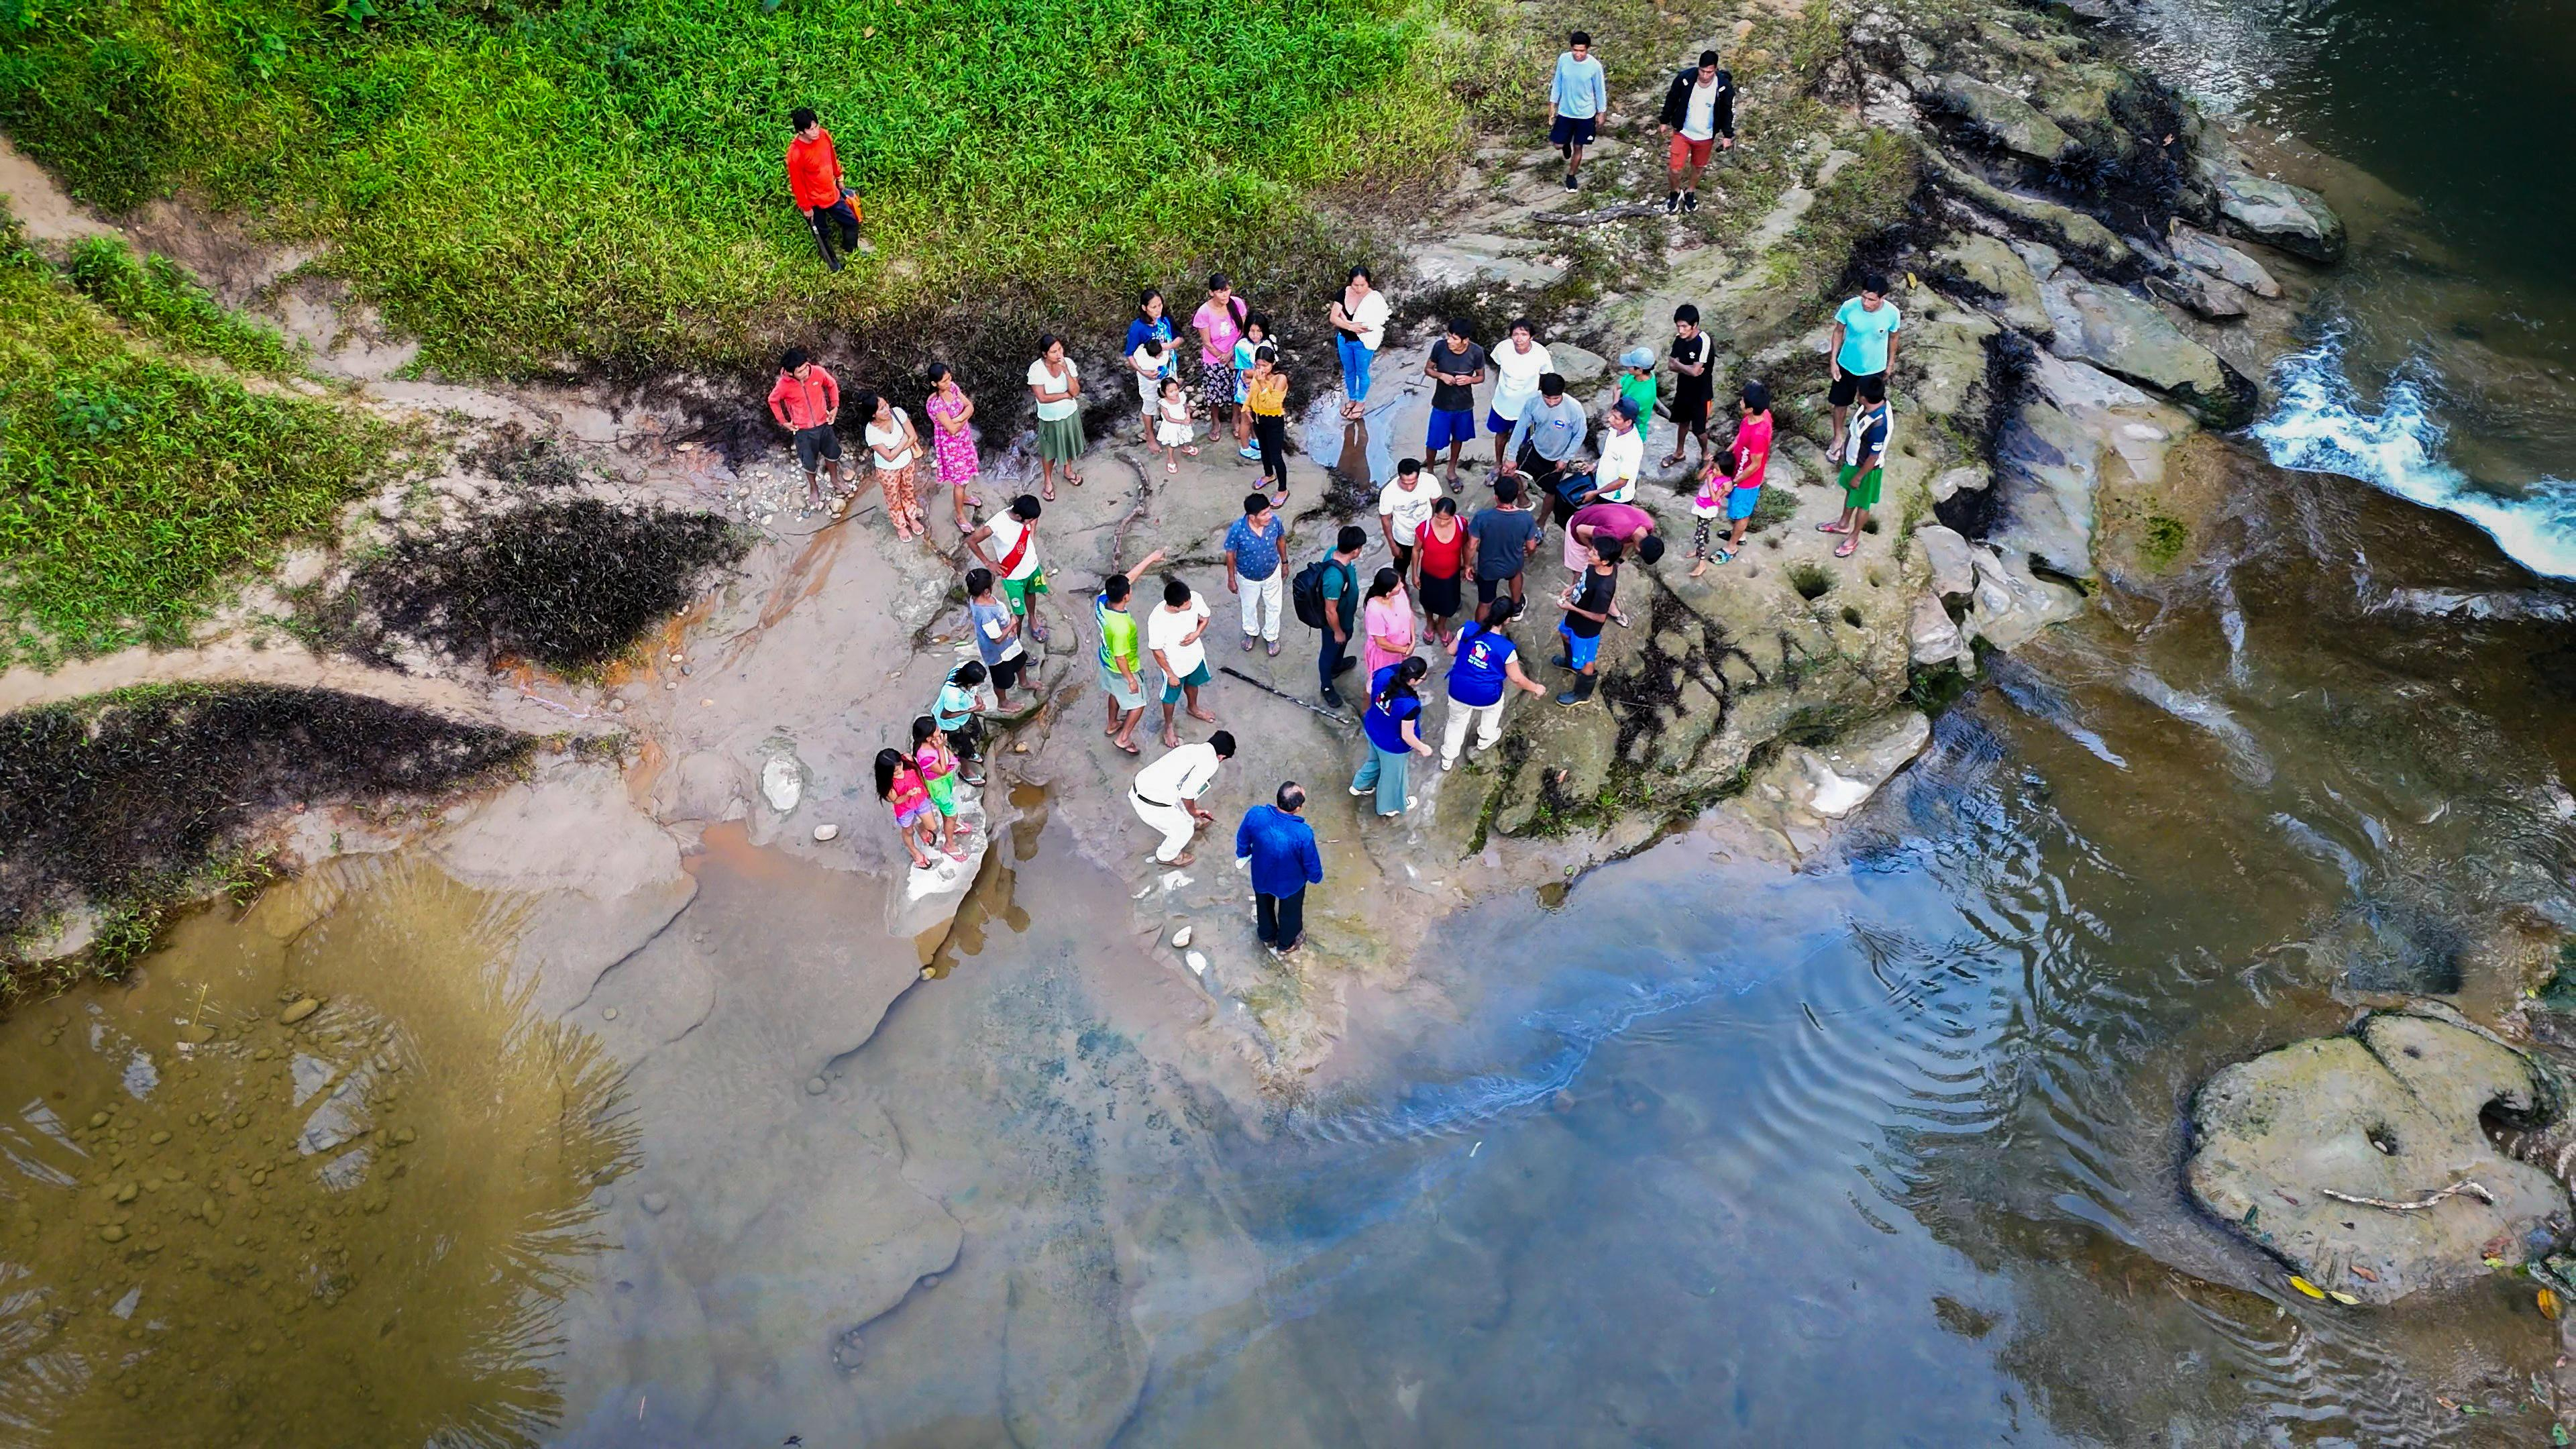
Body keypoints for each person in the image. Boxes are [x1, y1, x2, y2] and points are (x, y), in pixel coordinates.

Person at [1438, 597, 1546, 769]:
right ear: (1507, 620)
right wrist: (1536, 688)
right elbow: (1517, 679)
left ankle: (1448, 759)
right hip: (1487, 695)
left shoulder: (1468, 629)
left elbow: (1451, 650)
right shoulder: (1506, 648)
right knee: (1494, 710)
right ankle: (1485, 738)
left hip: (1458, 688)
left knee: (1456, 722)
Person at [1093, 549, 1168, 757]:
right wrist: (1131, 680)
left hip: (1105, 660)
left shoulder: (1101, 600)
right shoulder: (1122, 627)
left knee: (1115, 693)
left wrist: (1151, 558)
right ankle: (1123, 738)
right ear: (1127, 596)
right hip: (1123, 667)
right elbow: (1121, 657)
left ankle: (1112, 724)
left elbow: (1129, 578)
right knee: (1138, 704)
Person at [1236, 783, 1323, 955]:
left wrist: (1243, 853)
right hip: (1291, 882)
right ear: (1298, 808)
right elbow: (1310, 862)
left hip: (1261, 873)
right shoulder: (1303, 833)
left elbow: (1243, 837)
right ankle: (1285, 944)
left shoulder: (1255, 815)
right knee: (1290, 912)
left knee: (1263, 905)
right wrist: (1315, 877)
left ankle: (1267, 936)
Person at [1695, 380, 1773, 572]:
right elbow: (1740, 438)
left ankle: (1732, 547)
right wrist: (1728, 452)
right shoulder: (1755, 417)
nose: (1740, 402)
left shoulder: (1759, 434)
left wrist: (1734, 482)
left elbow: (1755, 464)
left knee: (1741, 513)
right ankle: (1740, 535)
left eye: (1743, 400)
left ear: (1750, 407)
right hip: (1736, 470)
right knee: (1736, 511)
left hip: (1747, 482)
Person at [1130, 731, 1234, 866]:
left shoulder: (1191, 748)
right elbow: (1187, 793)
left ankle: (1189, 819)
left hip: (1139, 788)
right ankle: (1166, 856)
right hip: (1151, 806)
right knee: (1184, 831)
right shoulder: (1211, 763)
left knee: (1179, 802)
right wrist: (1194, 812)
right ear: (1221, 757)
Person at [1501, 374, 1593, 521]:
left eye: (1555, 399)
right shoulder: (1533, 402)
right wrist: (1511, 456)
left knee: (1551, 492)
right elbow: (1520, 428)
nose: (1551, 402)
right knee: (1509, 472)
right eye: (1547, 398)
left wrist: (1565, 458)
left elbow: (1580, 435)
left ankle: (1542, 521)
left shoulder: (1574, 409)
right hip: (1535, 449)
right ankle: (1523, 499)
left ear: (1562, 393)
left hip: (1558, 457)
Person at [1829, 274, 1902, 455]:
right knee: (1840, 402)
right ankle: (1838, 437)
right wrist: (1833, 361)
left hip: (1874, 369)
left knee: (1870, 405)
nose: (1866, 303)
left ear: (1882, 298)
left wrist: (1890, 363)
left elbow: (1894, 337)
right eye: (1864, 297)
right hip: (1847, 364)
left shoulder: (1892, 313)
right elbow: (1838, 332)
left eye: (1871, 300)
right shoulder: (1849, 307)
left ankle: (1861, 438)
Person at [1351, 656, 1432, 816]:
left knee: (1375, 761)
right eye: (1423, 678)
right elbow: (1407, 735)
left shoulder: (1383, 675)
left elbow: (1372, 686)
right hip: (1392, 745)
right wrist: (1423, 748)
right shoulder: (1410, 705)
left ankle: (1360, 786)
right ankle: (1390, 806)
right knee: (1393, 777)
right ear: (1413, 680)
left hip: (1373, 728)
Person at [963, 493, 1051, 641]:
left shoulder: (1025, 512)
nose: (1031, 522)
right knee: (1018, 613)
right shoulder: (996, 524)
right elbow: (972, 541)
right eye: (1028, 521)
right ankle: (1017, 643)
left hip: (1032, 566)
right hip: (1013, 576)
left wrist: (1031, 536)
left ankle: (1033, 619)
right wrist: (988, 563)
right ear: (1017, 516)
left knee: (1031, 593)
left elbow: (1035, 518)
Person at [1658, 50, 1737, 215]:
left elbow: (1727, 112)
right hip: (1683, 131)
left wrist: (1727, 135)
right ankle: (1675, 192)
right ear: (1698, 67)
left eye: (1709, 72)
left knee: (1698, 167)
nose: (1705, 75)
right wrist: (1664, 120)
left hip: (1706, 136)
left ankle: (1690, 191)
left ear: (1715, 70)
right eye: (1702, 71)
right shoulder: (1685, 79)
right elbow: (1672, 98)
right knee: (1675, 169)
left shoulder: (1723, 87)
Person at [766, 348, 843, 509]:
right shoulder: (783, 385)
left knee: (832, 454)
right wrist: (784, 421)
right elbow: (773, 400)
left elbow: (832, 384)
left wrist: (834, 406)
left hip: (824, 424)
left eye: (806, 367)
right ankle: (814, 488)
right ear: (790, 373)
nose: (805, 373)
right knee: (809, 462)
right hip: (803, 431)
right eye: (800, 372)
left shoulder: (818, 372)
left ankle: (835, 480)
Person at [786, 108, 862, 271]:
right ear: (801, 131)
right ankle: (832, 262)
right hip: (814, 201)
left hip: (832, 193)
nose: (816, 132)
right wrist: (806, 207)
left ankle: (851, 248)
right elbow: (797, 183)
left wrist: (838, 176)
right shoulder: (796, 153)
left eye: (816, 127)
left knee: (851, 221)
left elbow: (832, 156)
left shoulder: (824, 135)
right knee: (821, 233)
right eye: (811, 129)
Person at [1823, 379, 1890, 559]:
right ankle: (1843, 524)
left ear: (1864, 398)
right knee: (1850, 493)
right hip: (1854, 462)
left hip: (1866, 470)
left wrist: (1860, 476)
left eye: (1859, 392)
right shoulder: (1871, 406)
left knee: (1863, 503)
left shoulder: (1878, 425)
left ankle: (1853, 538)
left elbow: (1874, 456)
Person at [1147, 576, 1216, 748]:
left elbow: (1205, 617)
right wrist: (1170, 674)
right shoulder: (1157, 620)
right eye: (1186, 605)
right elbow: (1156, 650)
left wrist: (1197, 633)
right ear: (1174, 606)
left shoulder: (1194, 598)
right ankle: (1168, 726)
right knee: (1170, 698)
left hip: (1195, 657)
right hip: (1175, 666)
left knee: (1194, 684)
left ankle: (1193, 708)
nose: (1191, 605)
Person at [1553, 535, 1621, 705]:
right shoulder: (1594, 566)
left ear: (1605, 562)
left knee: (1587, 661)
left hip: (1587, 629)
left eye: (1595, 553)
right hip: (1574, 617)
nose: (1590, 553)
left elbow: (1600, 617)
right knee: (1564, 633)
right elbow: (1585, 581)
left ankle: (1582, 694)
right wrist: (1572, 588)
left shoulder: (1604, 588)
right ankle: (1570, 663)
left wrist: (1571, 608)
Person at [1466, 476, 1543, 622]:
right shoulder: (1526, 518)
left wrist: (1468, 565)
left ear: (1496, 497)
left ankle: (1478, 633)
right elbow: (1531, 546)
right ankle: (1515, 607)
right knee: (1516, 575)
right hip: (1513, 564)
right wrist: (1528, 553)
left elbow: (1471, 545)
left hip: (1488, 568)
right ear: (1515, 496)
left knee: (1485, 603)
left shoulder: (1483, 517)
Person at [1421, 319, 1487, 485]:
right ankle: (1430, 471)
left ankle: (1451, 469)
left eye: (1454, 338)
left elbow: (1481, 377)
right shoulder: (1440, 347)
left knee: (1459, 438)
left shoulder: (1476, 352)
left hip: (1464, 405)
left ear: (1465, 340)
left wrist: (1469, 379)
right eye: (1449, 336)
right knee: (1434, 441)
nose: (1449, 341)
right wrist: (1441, 375)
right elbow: (1428, 369)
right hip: (1441, 404)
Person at [855, 390, 928, 539]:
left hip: (907, 462)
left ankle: (912, 517)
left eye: (886, 404)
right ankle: (900, 525)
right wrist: (903, 440)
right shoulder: (871, 432)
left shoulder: (898, 413)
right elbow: (889, 457)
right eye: (881, 408)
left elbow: (913, 436)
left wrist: (897, 448)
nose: (887, 409)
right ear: (873, 414)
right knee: (893, 497)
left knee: (908, 490)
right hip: (888, 470)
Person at [1224, 492, 1289, 655]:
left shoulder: (1275, 522)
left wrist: (1285, 562)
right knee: (1249, 606)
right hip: (1247, 577)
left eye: (1269, 511)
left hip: (1272, 572)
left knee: (1274, 607)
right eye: (1265, 514)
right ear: (1252, 517)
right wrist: (1231, 578)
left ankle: (1272, 636)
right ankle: (1251, 632)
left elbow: (1281, 540)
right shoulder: (1237, 530)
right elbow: (1230, 553)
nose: (1270, 516)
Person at [1487, 320, 1555, 474]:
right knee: (1501, 435)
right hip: (1502, 403)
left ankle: (1515, 469)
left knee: (1523, 441)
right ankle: (1498, 465)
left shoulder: (1541, 353)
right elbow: (1498, 366)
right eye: (1515, 334)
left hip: (1526, 408)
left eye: (1524, 334)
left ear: (1531, 337)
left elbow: (1546, 375)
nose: (1519, 339)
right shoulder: (1502, 348)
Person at [924, 363, 983, 531]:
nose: (949, 383)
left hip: (963, 439)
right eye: (944, 381)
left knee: (966, 474)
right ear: (934, 384)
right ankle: (960, 515)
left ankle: (963, 497)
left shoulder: (953, 388)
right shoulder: (937, 404)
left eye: (949, 378)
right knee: (960, 480)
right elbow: (951, 429)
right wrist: (960, 420)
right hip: (951, 447)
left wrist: (957, 419)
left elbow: (970, 406)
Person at [1314, 525, 1366, 708]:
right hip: (1335, 622)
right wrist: (1337, 631)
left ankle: (1337, 667)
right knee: (1329, 650)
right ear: (1355, 551)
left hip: (1346, 618)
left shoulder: (1333, 552)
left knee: (1343, 642)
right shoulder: (1334, 578)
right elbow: (1330, 610)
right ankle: (1326, 686)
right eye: (1360, 548)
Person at [1548, 31, 1609, 193]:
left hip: (1585, 113)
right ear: (1571, 48)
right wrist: (1552, 103)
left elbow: (1600, 90)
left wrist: (1601, 112)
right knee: (1557, 144)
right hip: (1566, 111)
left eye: (1582, 51)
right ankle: (1565, 143)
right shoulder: (1564, 59)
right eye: (1576, 50)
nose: (1579, 54)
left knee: (1579, 147)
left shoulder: (1595, 66)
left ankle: (1571, 176)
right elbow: (1558, 82)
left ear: (1587, 49)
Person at [1027, 334, 1085, 499]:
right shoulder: (1036, 369)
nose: (1059, 354)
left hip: (1069, 414)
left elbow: (1075, 391)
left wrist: (1066, 371)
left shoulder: (1068, 364)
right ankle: (1048, 481)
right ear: (1045, 354)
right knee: (1049, 451)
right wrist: (1065, 396)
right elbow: (1042, 398)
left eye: (1060, 349)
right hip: (1049, 419)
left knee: (1068, 444)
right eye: (1053, 352)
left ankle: (1068, 470)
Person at [1192, 275, 1248, 444]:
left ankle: (1235, 419)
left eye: (1227, 290)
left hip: (1235, 353)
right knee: (1213, 393)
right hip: (1214, 358)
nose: (1225, 295)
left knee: (1237, 390)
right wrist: (1223, 358)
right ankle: (1215, 422)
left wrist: (1231, 353)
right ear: (1211, 293)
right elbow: (1207, 343)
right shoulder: (1204, 312)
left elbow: (1242, 331)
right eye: (1220, 292)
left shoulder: (1237, 304)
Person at [963, 567, 1029, 712]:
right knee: (1002, 680)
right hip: (998, 652)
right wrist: (1012, 623)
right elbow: (998, 639)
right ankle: (1003, 703)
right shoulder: (985, 615)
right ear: (986, 591)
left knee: (1020, 660)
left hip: (1010, 643)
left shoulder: (976, 599)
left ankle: (1024, 682)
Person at [1329, 268, 1391, 421]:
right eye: (1355, 285)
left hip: (1363, 343)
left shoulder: (1374, 299)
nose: (1358, 289)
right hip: (1344, 340)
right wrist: (1350, 326)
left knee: (1361, 373)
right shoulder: (1343, 293)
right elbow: (1333, 317)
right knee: (1349, 371)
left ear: (1368, 283)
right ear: (1351, 283)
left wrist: (1344, 321)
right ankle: (1352, 398)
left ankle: (1361, 402)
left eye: (1362, 285)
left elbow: (1375, 324)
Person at [878, 748, 955, 869]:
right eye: (894, 771)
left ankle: (921, 828)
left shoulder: (907, 759)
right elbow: (897, 800)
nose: (899, 771)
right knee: (908, 831)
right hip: (904, 808)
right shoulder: (888, 786)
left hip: (920, 799)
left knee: (932, 827)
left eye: (899, 766)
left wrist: (925, 788)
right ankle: (914, 851)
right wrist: (908, 795)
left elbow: (918, 773)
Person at [1662, 304, 1717, 468]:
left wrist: (1680, 366)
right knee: (1683, 422)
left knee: (1699, 430)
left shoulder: (1704, 341)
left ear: (1694, 325)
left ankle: (1706, 453)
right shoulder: (1679, 340)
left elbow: (1695, 371)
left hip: (1701, 393)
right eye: (1678, 326)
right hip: (1683, 389)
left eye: (1684, 326)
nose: (1681, 330)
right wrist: (1686, 368)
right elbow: (1671, 366)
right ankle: (1679, 453)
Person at [911, 714, 978, 846]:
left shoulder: (932, 742)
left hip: (944, 781)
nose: (939, 729)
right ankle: (949, 844)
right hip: (939, 786)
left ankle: (950, 825)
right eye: (936, 729)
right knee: (952, 816)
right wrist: (941, 748)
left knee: (946, 810)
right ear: (928, 737)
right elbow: (942, 770)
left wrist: (942, 747)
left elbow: (948, 757)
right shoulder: (925, 755)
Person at [1572, 396, 1646, 510]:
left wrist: (1596, 493)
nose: (1611, 420)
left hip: (1614, 498)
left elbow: (1622, 482)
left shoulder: (1632, 447)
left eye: (1616, 418)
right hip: (1600, 487)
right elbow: (1608, 454)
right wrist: (1595, 465)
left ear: (1628, 422)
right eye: (1612, 415)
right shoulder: (1614, 430)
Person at [1413, 496, 1469, 645]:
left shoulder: (1461, 524)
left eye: (1447, 519)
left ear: (1453, 516)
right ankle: (1430, 623)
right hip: (1429, 574)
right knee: (1428, 601)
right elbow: (1416, 550)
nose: (1442, 522)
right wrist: (1414, 574)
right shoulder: (1424, 529)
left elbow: (1465, 545)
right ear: (1434, 514)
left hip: (1451, 575)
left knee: (1448, 603)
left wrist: (1466, 564)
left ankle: (1441, 625)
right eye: (1439, 518)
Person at [1125, 289, 1179, 443]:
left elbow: (1179, 338)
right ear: (1144, 308)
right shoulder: (1138, 328)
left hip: (1169, 370)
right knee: (1150, 404)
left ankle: (1170, 429)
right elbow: (1130, 354)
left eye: (1160, 305)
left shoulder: (1166, 319)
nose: (1158, 310)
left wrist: (1167, 347)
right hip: (1149, 376)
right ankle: (1150, 436)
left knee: (1171, 399)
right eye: (1154, 307)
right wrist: (1142, 372)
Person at [1564, 497, 1661, 574]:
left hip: (1597, 513)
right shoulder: (1615, 533)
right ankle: (1572, 596)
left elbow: (1627, 543)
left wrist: (1615, 560)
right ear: (1638, 550)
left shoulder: (1648, 524)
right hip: (1577, 523)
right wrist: (1591, 549)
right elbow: (1580, 530)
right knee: (1581, 571)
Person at [1246, 344, 1292, 502]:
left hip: (1273, 420)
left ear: (1272, 363)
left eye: (1265, 365)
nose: (1261, 369)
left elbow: (1272, 403)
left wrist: (1263, 383)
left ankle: (1283, 489)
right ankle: (1269, 475)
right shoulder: (1257, 375)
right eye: (1258, 365)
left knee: (1276, 455)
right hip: (1258, 417)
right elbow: (1252, 393)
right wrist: (1246, 408)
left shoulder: (1280, 379)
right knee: (1263, 449)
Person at [932, 661, 989, 786]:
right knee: (962, 749)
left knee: (974, 736)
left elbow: (973, 690)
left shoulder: (962, 668)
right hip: (950, 725)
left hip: (965, 717)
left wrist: (976, 697)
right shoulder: (952, 695)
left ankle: (971, 753)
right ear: (969, 682)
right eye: (979, 681)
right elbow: (946, 715)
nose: (982, 683)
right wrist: (973, 709)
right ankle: (966, 772)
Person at [1378, 458, 1438, 575]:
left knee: (1433, 560)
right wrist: (1392, 545)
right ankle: (1401, 585)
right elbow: (1386, 520)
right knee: (1401, 565)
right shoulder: (1388, 492)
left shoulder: (1430, 481)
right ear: (1399, 477)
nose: (1409, 488)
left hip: (1427, 532)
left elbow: (1436, 502)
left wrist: (1434, 526)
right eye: (1405, 483)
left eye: (1413, 483)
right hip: (1403, 537)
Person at [1360, 566, 1416, 682]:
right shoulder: (1375, 610)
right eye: (1398, 584)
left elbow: (1409, 614)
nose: (1402, 586)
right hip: (1385, 657)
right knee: (1381, 683)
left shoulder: (1400, 594)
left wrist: (1413, 640)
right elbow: (1381, 643)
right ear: (1387, 592)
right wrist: (1404, 650)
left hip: (1402, 650)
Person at [1232, 313, 1269, 461]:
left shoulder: (1268, 344)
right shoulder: (1241, 346)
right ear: (1247, 330)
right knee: (1246, 418)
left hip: (1259, 387)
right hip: (1246, 389)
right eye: (1252, 331)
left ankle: (1255, 439)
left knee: (1255, 416)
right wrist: (1261, 373)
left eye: (1259, 331)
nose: (1255, 335)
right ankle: (1245, 448)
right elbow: (1246, 371)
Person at [1152, 376, 1199, 474]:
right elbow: (1168, 418)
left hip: (1183, 422)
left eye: (1176, 389)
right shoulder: (1164, 404)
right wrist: (1182, 422)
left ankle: (1185, 448)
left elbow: (1186, 407)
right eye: (1171, 391)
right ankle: (1170, 459)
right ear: (1164, 393)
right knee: (1171, 444)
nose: (1175, 393)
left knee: (1185, 436)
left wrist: (1188, 416)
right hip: (1172, 426)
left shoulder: (1181, 397)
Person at [1616, 347, 1659, 426]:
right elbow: (1618, 387)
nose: (1627, 366)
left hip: (1632, 429)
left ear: (1640, 370)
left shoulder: (1643, 397)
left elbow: (1624, 418)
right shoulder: (1643, 374)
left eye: (1630, 365)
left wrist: (1615, 403)